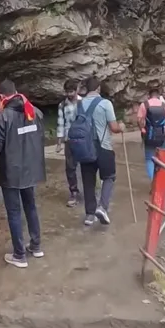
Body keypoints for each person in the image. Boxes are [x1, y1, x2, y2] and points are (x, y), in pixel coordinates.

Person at [0, 79, 47, 268]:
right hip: (30, 169)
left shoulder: (2, 116)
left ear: (3, 96)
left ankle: (19, 254)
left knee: (14, 212)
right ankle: (36, 246)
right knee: (31, 207)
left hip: (11, 172)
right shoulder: (35, 112)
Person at [77, 76, 122, 225]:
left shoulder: (79, 104)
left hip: (84, 148)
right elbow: (114, 128)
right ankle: (102, 207)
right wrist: (121, 127)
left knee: (88, 181)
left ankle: (90, 215)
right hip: (103, 147)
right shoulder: (105, 104)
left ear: (87, 89)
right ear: (98, 88)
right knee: (109, 176)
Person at [136, 85, 165, 181]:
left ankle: (153, 181)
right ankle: (161, 181)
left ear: (149, 95)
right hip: (161, 135)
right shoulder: (164, 105)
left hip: (148, 135)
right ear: (158, 95)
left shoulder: (144, 105)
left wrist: (142, 128)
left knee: (149, 159)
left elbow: (139, 119)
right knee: (162, 158)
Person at [57, 80, 82, 207]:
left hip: (83, 139)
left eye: (71, 91)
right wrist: (59, 142)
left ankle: (91, 190)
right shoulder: (62, 105)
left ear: (77, 90)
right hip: (69, 139)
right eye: (67, 92)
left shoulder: (83, 103)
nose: (69, 94)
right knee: (70, 168)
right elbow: (60, 123)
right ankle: (74, 192)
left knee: (86, 166)